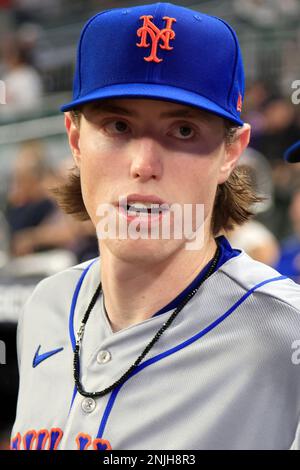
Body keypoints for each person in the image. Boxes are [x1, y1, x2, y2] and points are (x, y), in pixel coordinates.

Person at [11, 3, 300, 450]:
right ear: (74, 139)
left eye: (183, 130)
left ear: (231, 152)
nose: (144, 165)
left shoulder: (286, 336)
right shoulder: (44, 307)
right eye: (118, 125)